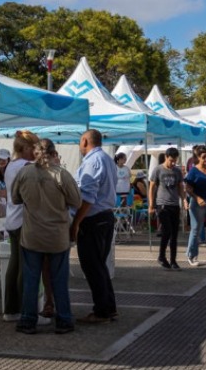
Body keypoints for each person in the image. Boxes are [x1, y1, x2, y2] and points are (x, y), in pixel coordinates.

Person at [12, 138, 81, 335]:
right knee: (59, 279)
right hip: (57, 236)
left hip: (32, 234)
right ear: (53, 153)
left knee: (31, 279)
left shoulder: (24, 173)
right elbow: (76, 200)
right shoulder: (61, 174)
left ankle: (28, 320)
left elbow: (15, 198)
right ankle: (64, 319)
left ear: (35, 153)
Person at [72, 129, 118, 324]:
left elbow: (88, 196)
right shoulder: (106, 159)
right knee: (99, 265)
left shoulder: (92, 161)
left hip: (94, 219)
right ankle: (108, 307)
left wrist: (76, 222)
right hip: (105, 217)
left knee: (92, 266)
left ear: (84, 141)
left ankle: (101, 311)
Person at [2, 130, 40, 322]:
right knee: (26, 268)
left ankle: (11, 309)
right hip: (24, 221)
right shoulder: (26, 167)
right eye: (34, 147)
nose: (37, 151)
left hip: (13, 219)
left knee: (14, 266)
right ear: (25, 148)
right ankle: (26, 310)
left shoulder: (10, 166)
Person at [148, 147, 187, 270]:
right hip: (162, 205)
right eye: (171, 160)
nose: (173, 163)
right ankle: (161, 256)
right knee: (167, 230)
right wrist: (151, 205)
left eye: (175, 161)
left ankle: (173, 261)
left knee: (174, 234)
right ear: (166, 157)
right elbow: (152, 188)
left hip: (174, 205)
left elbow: (180, 187)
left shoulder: (177, 171)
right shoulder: (158, 170)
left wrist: (184, 200)